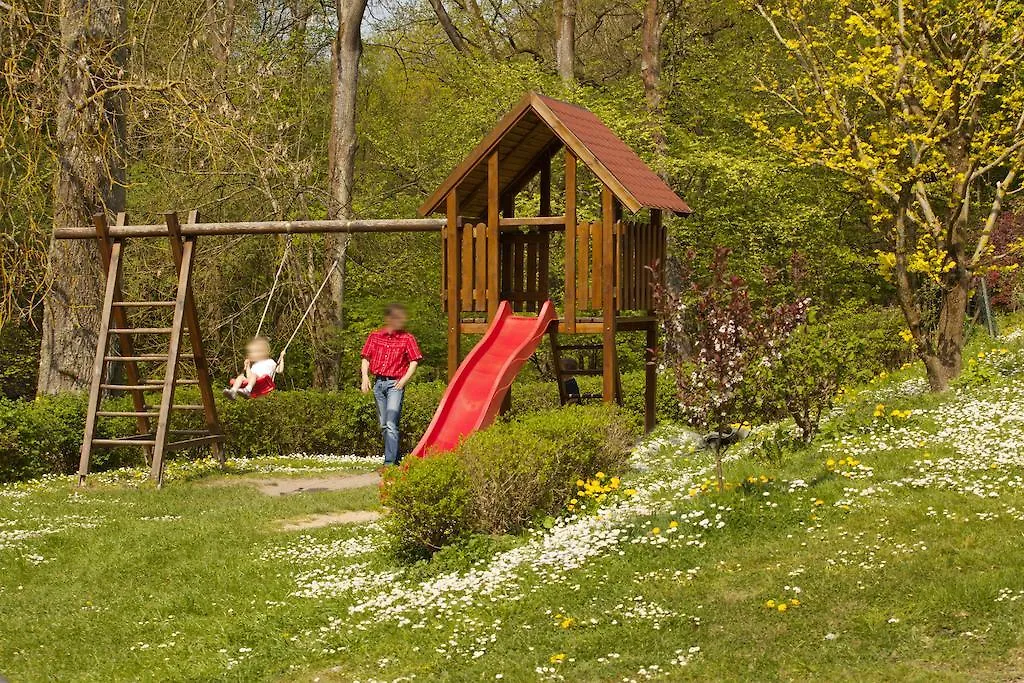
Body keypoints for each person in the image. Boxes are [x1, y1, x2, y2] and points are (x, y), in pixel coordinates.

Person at [361, 303, 423, 465]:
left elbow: (414, 361)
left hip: (395, 384)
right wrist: (364, 377)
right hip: (379, 384)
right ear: (388, 319)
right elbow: (365, 357)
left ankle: (389, 463)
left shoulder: (407, 338)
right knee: (383, 424)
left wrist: (403, 381)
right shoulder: (375, 336)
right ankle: (394, 459)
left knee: (391, 423)